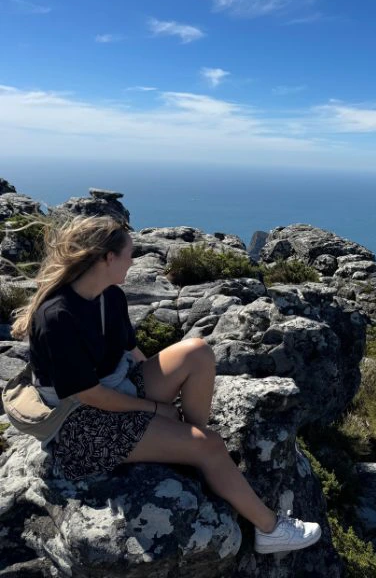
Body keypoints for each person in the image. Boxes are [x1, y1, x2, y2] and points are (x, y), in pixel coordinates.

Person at [11, 215, 321, 555]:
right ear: (106, 258)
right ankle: (270, 530)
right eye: (128, 254)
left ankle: (193, 452)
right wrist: (156, 408)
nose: (133, 261)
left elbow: (131, 351)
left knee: (198, 353)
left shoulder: (109, 296)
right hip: (79, 425)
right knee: (211, 445)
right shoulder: (57, 316)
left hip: (116, 389)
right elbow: (88, 393)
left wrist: (160, 389)